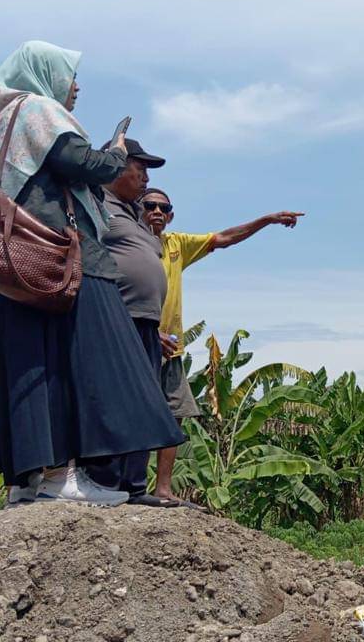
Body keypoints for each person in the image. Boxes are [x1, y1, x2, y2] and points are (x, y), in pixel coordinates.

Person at [0, 41, 184, 507]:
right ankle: (61, 478)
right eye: (69, 76)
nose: (76, 87)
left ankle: (30, 481)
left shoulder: (2, 122)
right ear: (44, 74)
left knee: (33, 366)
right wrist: (113, 151)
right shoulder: (38, 111)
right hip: (56, 256)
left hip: (17, 263)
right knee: (87, 365)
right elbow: (85, 164)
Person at [140, 187, 302, 502]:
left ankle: (162, 488)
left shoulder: (177, 245)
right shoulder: (127, 244)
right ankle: (126, 485)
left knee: (175, 414)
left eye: (164, 207)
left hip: (172, 349)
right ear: (138, 209)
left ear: (171, 215)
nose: (157, 212)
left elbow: (224, 238)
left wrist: (267, 220)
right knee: (133, 413)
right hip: (137, 343)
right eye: (150, 205)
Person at [95, 138, 178, 506]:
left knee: (143, 402)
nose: (144, 178)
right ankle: (108, 482)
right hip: (117, 317)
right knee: (117, 400)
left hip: (146, 323)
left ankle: (132, 486)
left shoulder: (132, 214)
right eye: (138, 168)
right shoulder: (96, 203)